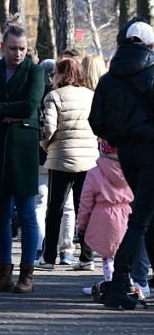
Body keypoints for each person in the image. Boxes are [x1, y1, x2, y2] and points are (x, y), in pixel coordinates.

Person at [0, 16, 44, 294]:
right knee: (0, 216)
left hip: (23, 148)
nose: (18, 53)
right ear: (3, 47)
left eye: (23, 48)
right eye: (13, 48)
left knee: (26, 214)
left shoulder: (34, 71)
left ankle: (27, 274)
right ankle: (4, 273)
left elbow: (29, 106)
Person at [89, 19, 154, 310]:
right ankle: (118, 284)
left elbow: (96, 122)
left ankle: (128, 283)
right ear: (150, 46)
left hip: (127, 154)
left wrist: (119, 136)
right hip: (152, 151)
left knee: (147, 217)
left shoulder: (108, 77)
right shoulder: (152, 72)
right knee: (141, 219)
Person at [36, 57, 98, 271]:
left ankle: (49, 257)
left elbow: (48, 129)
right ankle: (87, 257)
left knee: (55, 209)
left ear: (62, 75)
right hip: (89, 160)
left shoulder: (53, 96)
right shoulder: (91, 95)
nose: (52, 77)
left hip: (62, 159)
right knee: (85, 208)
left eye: (54, 73)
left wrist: (45, 145)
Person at [77, 140, 134, 299]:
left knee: (107, 255)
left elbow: (86, 202)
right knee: (123, 252)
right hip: (126, 214)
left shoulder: (94, 173)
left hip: (103, 216)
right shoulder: (130, 171)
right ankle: (127, 280)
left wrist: (82, 224)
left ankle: (109, 284)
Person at [34, 59, 76, 265]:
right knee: (66, 205)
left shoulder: (42, 95)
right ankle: (66, 250)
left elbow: (45, 128)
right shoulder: (80, 95)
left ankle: (40, 247)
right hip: (70, 156)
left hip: (46, 154)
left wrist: (43, 144)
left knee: (42, 203)